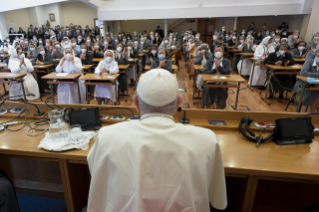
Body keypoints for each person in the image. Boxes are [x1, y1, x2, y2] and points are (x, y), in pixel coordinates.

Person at [86, 68, 227, 212]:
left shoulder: (106, 136)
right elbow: (218, 199)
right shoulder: (207, 140)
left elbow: (96, 173)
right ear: (179, 103)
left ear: (136, 103)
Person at [202, 45, 231, 109]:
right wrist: (215, 69)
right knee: (208, 90)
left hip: (221, 83)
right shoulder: (210, 61)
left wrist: (219, 67)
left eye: (219, 50)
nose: (218, 52)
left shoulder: (227, 61)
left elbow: (228, 72)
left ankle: (218, 110)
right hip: (210, 82)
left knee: (221, 91)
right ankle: (208, 110)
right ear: (214, 52)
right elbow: (206, 72)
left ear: (223, 52)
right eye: (216, 51)